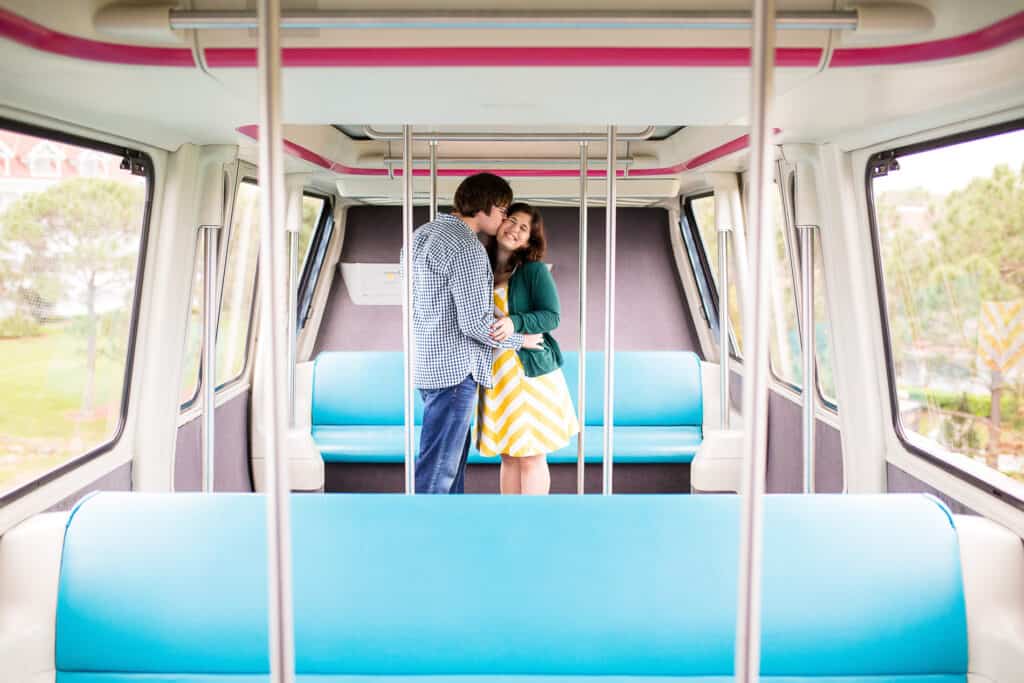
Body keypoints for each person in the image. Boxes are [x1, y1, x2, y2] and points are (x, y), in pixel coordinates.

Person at [409, 174, 543, 494]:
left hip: (427, 365)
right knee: (439, 469)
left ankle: (447, 533)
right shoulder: (467, 248)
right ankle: (420, 536)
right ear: (487, 206)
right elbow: (473, 324)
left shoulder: (420, 235)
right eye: (502, 210)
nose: (503, 220)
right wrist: (519, 340)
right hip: (456, 372)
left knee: (446, 466)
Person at [478, 203, 579, 494]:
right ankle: (511, 524)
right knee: (508, 454)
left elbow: (552, 316)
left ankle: (534, 525)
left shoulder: (533, 271)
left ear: (529, 240)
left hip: (531, 373)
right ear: (499, 223)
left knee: (532, 455)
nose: (515, 230)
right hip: (496, 374)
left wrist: (515, 323)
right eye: (512, 221)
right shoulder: (481, 269)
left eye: (524, 228)